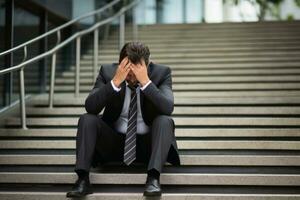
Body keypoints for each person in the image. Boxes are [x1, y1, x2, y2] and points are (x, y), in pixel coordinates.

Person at [66, 42, 180, 197]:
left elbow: (168, 108)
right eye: (127, 69)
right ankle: (82, 180)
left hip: (149, 146)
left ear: (146, 65)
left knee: (165, 121)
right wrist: (115, 82)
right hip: (114, 144)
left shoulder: (162, 73)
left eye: (136, 70)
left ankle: (153, 178)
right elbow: (90, 107)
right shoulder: (108, 72)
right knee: (87, 119)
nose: (131, 76)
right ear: (120, 64)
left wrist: (146, 82)